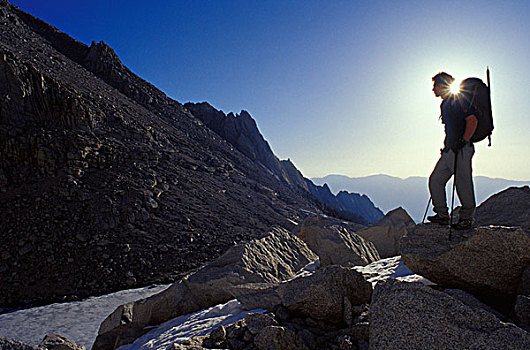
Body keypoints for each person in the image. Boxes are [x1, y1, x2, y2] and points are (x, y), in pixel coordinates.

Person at [427, 72, 478, 230]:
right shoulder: (446, 104)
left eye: (435, 85)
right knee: (435, 180)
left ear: (443, 85)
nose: (433, 89)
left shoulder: (459, 100)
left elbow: (472, 120)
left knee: (463, 183)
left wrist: (463, 141)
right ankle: (442, 214)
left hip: (461, 150)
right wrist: (448, 146)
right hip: (450, 150)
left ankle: (466, 219)